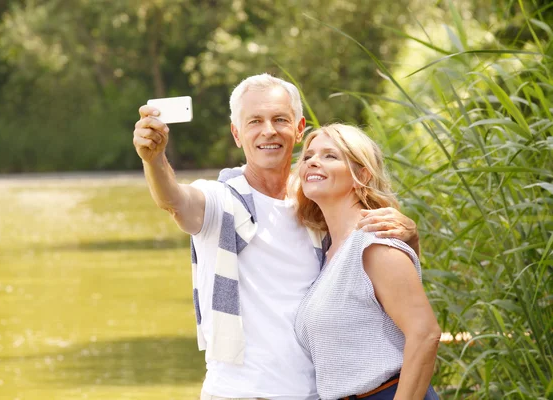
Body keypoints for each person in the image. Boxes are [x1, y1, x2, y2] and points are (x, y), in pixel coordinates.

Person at [132, 74, 421, 400]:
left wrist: (408, 235)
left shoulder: (318, 205)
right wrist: (153, 160)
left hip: (316, 394)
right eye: (254, 121)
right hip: (240, 393)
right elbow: (173, 200)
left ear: (299, 129)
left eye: (279, 119)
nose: (268, 130)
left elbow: (378, 269)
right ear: (237, 134)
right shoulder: (220, 201)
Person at [292, 124, 441, 400]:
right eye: (308, 156)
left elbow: (425, 334)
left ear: (362, 175)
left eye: (330, 156)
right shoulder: (329, 251)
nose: (313, 161)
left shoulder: (375, 243)